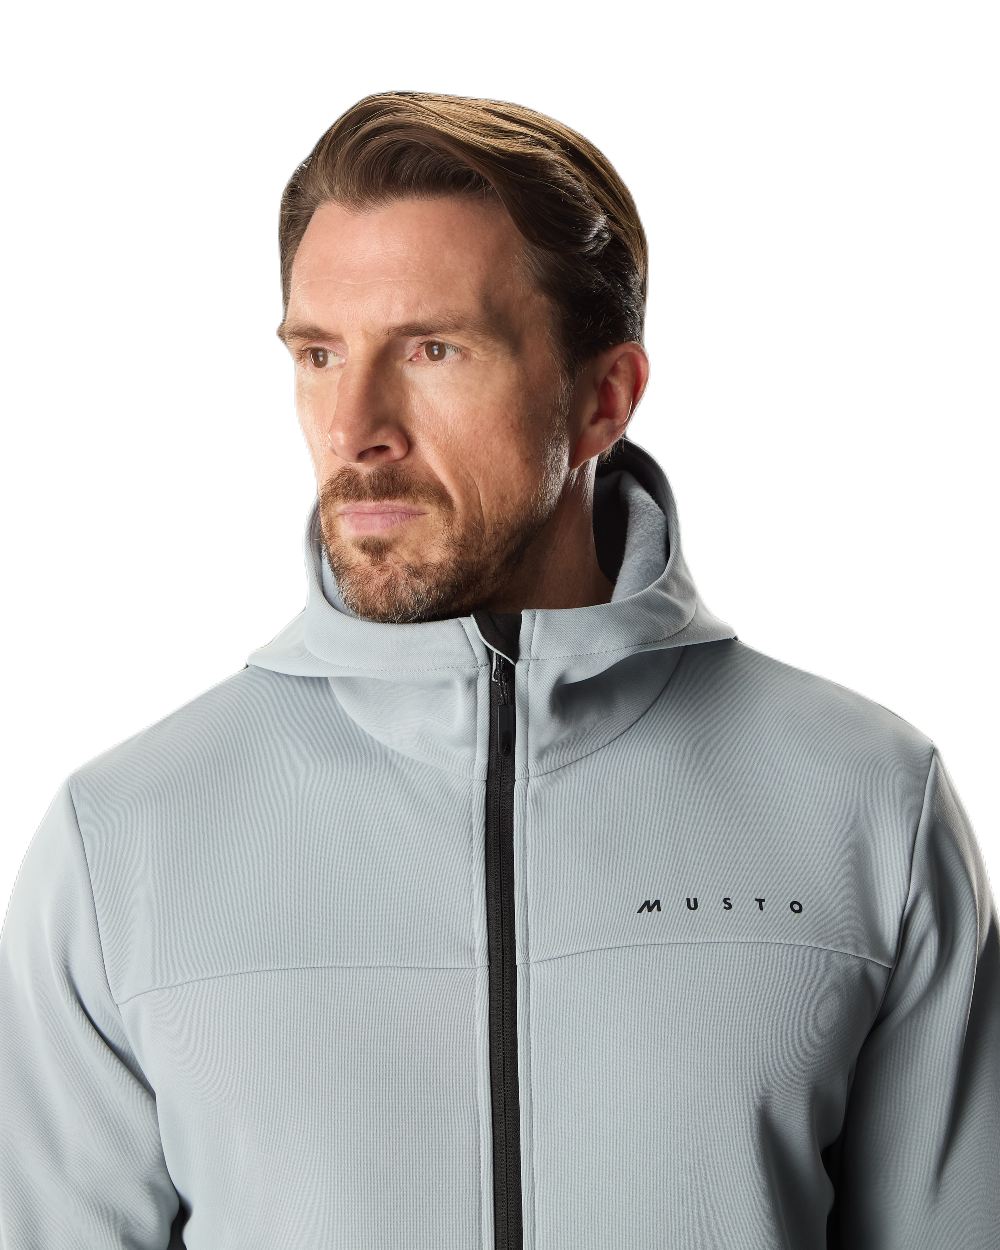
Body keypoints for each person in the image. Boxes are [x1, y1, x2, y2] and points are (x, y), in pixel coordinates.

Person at [1, 89, 997, 1250]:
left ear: (602, 397)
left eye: (432, 349)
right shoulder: (125, 838)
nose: (355, 425)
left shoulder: (862, 801)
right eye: (319, 353)